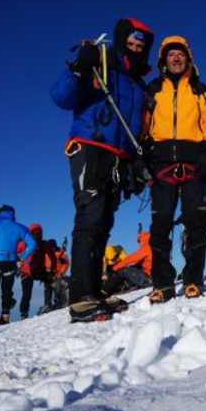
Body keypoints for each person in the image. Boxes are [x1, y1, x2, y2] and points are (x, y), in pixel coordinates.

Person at [50, 17, 154, 316]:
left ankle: (94, 289)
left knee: (105, 219)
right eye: (131, 42)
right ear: (122, 40)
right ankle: (81, 295)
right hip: (90, 147)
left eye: (141, 44)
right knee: (90, 213)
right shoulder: (99, 62)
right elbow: (61, 97)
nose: (136, 47)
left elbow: (140, 126)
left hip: (119, 156)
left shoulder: (137, 83)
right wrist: (78, 68)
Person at [142, 36, 206, 303]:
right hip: (160, 163)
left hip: (195, 163)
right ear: (163, 59)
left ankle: (193, 279)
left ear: (188, 58)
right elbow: (142, 125)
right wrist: (140, 156)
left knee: (195, 221)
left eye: (181, 54)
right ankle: (162, 283)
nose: (176, 59)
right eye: (171, 55)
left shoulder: (200, 89)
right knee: (160, 224)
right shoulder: (153, 90)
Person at [17, 224, 70, 319]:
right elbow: (52, 256)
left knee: (27, 293)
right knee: (28, 293)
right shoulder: (29, 243)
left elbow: (13, 252)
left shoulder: (27, 243)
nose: (36, 234)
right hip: (32, 272)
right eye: (34, 232)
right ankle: (56, 302)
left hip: (34, 271)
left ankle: (24, 313)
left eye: (38, 232)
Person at [101, 231, 152, 297]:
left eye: (139, 241)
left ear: (143, 239)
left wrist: (115, 267)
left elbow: (130, 259)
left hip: (148, 279)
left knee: (123, 271)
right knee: (131, 268)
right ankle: (122, 287)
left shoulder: (146, 247)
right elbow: (137, 262)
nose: (139, 244)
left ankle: (104, 291)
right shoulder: (152, 247)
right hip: (150, 276)